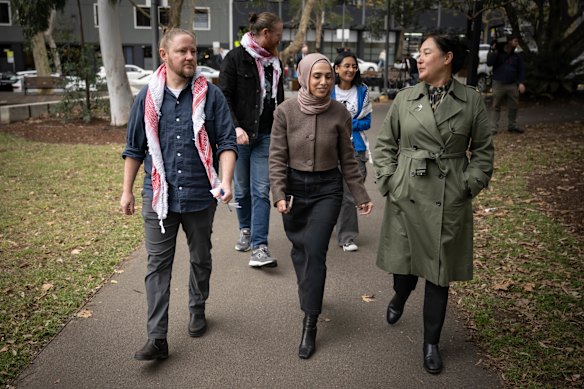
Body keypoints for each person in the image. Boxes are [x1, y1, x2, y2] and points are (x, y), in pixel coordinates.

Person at [373, 33, 494, 374]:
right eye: (419, 53)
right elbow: (384, 145)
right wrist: (389, 181)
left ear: (448, 58)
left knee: (439, 275)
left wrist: (466, 185)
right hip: (407, 191)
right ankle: (400, 295)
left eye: (426, 52)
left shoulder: (471, 100)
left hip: (447, 196)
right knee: (405, 267)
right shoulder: (406, 97)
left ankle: (431, 344)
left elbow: (483, 152)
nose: (419, 59)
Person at [120, 28, 237, 360]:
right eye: (183, 51)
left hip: (201, 196)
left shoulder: (211, 96)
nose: (190, 57)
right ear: (164, 55)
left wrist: (225, 181)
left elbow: (227, 143)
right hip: (159, 197)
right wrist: (126, 191)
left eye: (194, 51)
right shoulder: (146, 97)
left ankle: (197, 307)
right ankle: (157, 337)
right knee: (158, 265)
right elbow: (134, 148)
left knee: (200, 257)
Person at [269, 53, 373, 359]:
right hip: (294, 189)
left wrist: (361, 194)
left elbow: (348, 160)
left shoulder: (340, 113)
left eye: (328, 76)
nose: (324, 82)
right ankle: (310, 291)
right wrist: (278, 192)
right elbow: (276, 157)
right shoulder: (285, 111)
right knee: (299, 247)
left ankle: (310, 321)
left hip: (328, 189)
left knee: (315, 250)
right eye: (317, 76)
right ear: (303, 77)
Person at [219, 12, 284, 267]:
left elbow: (277, 99)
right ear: (266, 33)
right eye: (278, 34)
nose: (280, 38)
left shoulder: (275, 62)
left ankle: (260, 246)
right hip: (241, 137)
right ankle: (245, 229)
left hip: (266, 134)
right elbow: (223, 96)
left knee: (260, 191)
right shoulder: (234, 59)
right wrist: (235, 128)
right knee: (243, 190)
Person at [331, 51, 373, 252]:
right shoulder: (327, 88)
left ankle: (346, 236)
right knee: (333, 191)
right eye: (346, 66)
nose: (350, 69)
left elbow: (367, 121)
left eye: (353, 66)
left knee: (350, 192)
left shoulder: (362, 91)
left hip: (354, 147)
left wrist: (345, 123)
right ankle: (340, 229)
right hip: (328, 147)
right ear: (337, 69)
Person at [486, 34, 526, 134]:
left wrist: (521, 82)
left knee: (514, 105)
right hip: (498, 83)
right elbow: (489, 62)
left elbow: (521, 70)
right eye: (515, 41)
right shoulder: (498, 54)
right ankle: (493, 128)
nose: (517, 44)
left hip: (512, 84)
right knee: (496, 106)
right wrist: (494, 50)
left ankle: (512, 125)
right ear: (509, 42)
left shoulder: (516, 56)